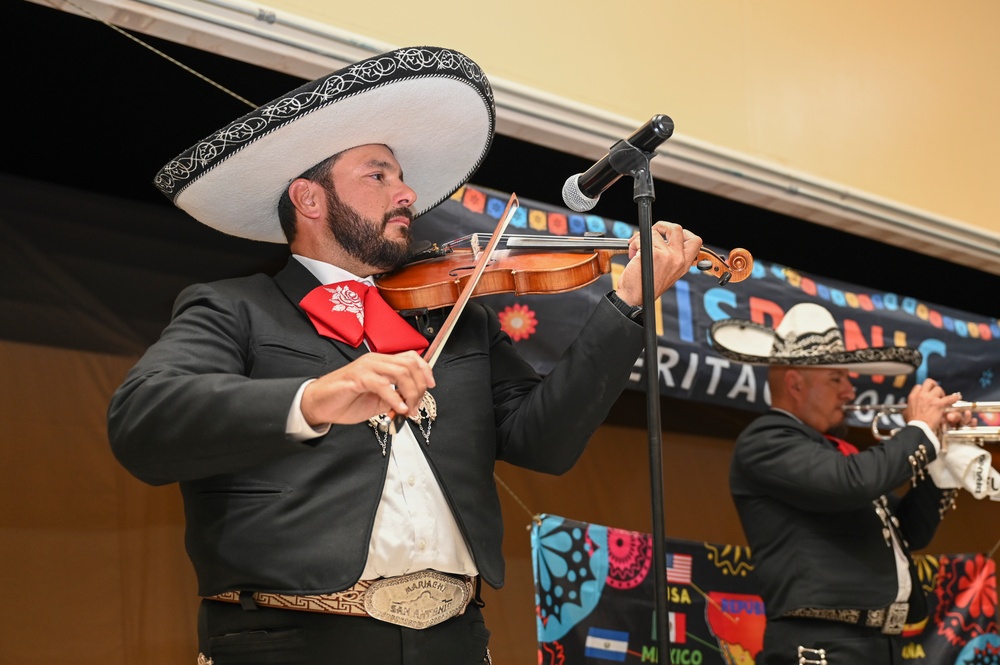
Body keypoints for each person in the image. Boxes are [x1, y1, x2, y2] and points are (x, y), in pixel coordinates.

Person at [107, 46, 703, 665]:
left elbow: (542, 442)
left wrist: (626, 306)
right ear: (310, 200)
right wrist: (314, 398)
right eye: (378, 175)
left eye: (400, 175)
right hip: (291, 642)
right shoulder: (237, 309)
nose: (408, 191)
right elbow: (142, 419)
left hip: (455, 639)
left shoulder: (456, 317)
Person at [709, 302, 969, 665]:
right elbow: (855, 482)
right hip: (821, 646)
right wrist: (920, 431)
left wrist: (944, 459)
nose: (849, 392)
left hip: (878, 646)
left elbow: (911, 531)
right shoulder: (766, 440)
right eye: (837, 379)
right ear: (795, 384)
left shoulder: (829, 452)